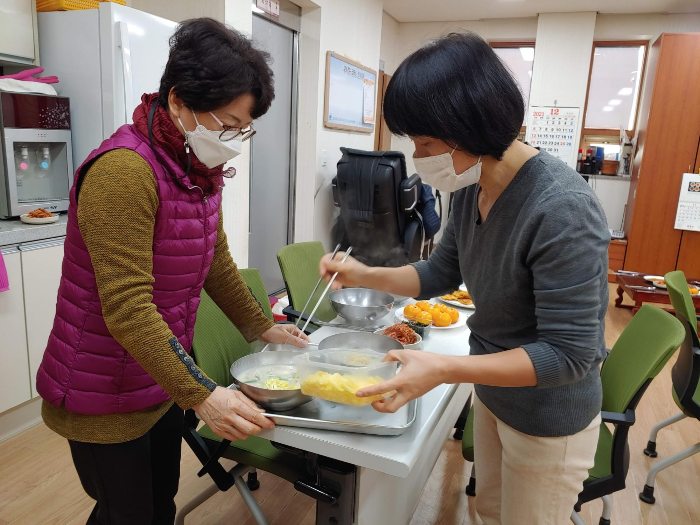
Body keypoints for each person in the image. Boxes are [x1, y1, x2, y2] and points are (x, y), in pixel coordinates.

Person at [320, 32, 609, 525]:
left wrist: (443, 369)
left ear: (470, 129)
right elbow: (440, 271)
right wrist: (364, 274)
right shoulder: (472, 186)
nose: (418, 157)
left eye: (426, 143)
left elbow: (569, 355)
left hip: (547, 418)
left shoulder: (562, 209)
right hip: (495, 395)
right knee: (489, 512)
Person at [35, 19, 308, 525]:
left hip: (159, 377)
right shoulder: (123, 172)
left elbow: (215, 261)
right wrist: (203, 394)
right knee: (127, 514)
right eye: (227, 123)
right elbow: (127, 307)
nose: (233, 139)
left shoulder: (196, 171)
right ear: (179, 101)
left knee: (159, 505)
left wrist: (261, 325)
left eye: (242, 128)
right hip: (102, 388)